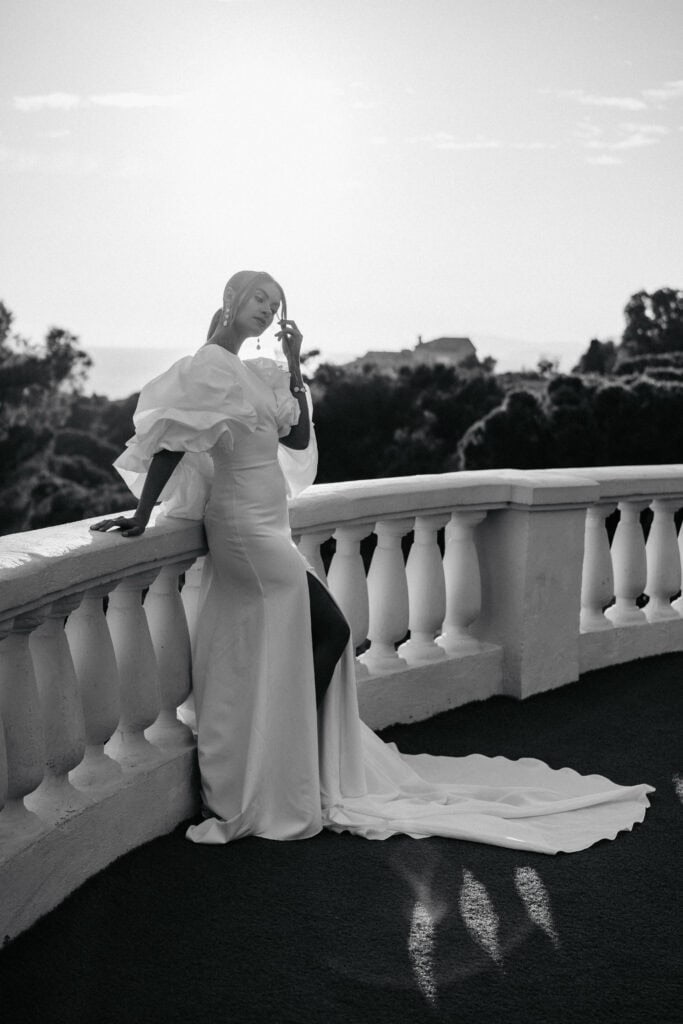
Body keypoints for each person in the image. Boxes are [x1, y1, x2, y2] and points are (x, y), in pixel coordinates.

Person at [92, 270, 654, 852]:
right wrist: (141, 514)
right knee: (328, 630)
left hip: (270, 524)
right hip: (240, 528)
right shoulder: (208, 364)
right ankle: (272, 767)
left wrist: (294, 363)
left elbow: (296, 434)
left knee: (290, 641)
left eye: (275, 302)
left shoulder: (259, 371)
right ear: (232, 299)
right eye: (258, 297)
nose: (266, 308)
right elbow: (171, 442)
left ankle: (282, 757)